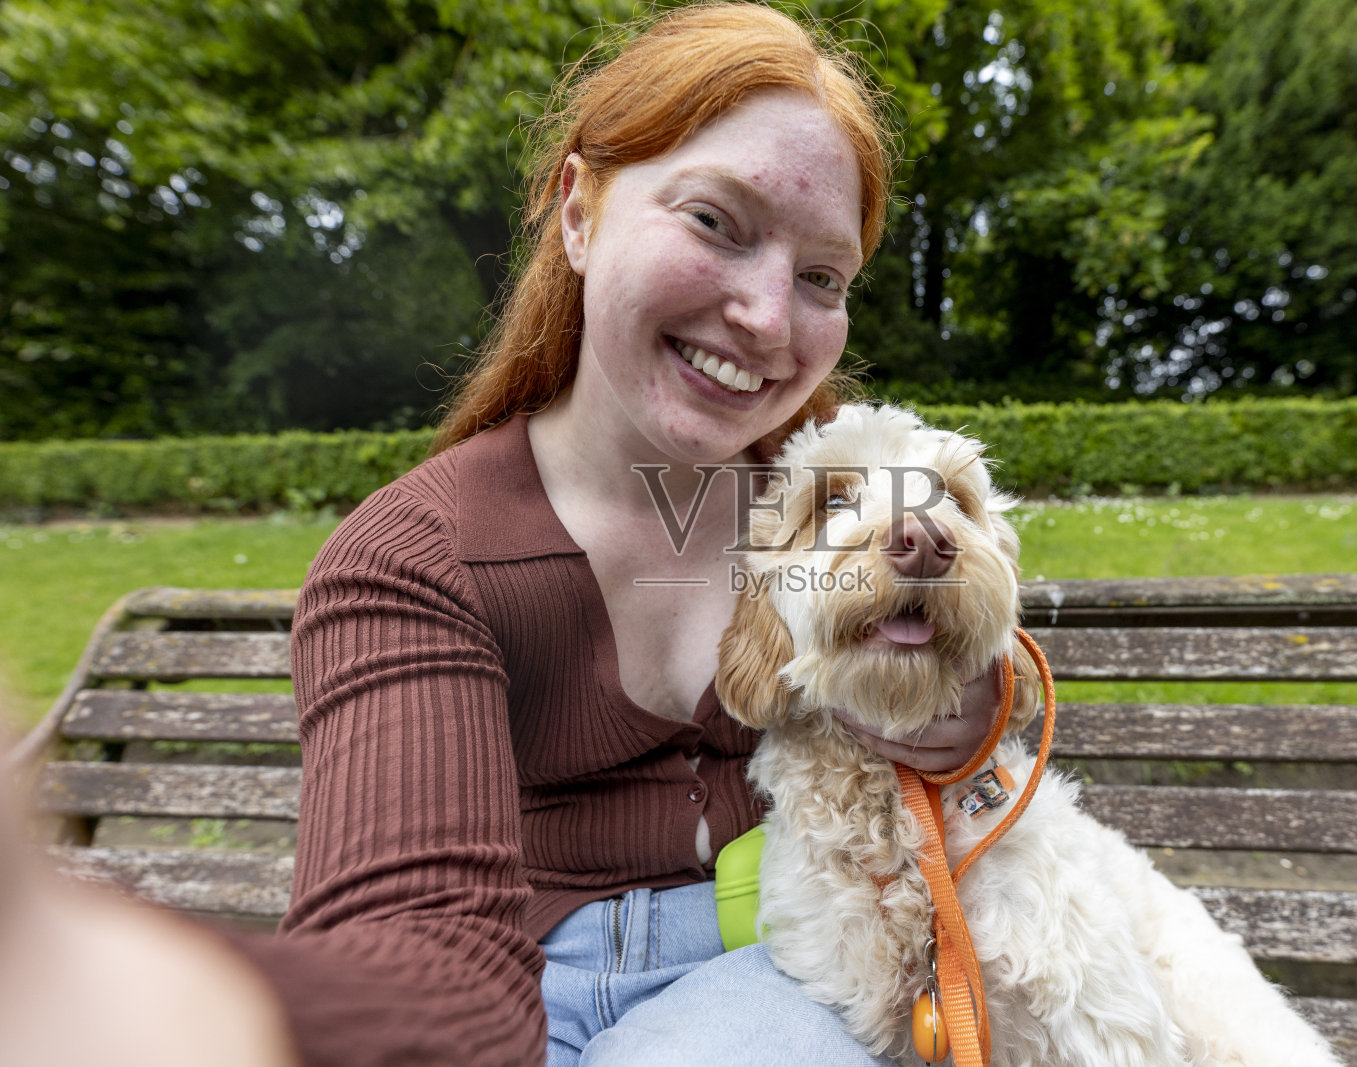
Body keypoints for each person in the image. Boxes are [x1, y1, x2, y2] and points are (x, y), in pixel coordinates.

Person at [6, 6, 1008, 1066]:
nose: (767, 317)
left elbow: (979, 615)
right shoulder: (413, 558)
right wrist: (209, 1006)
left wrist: (980, 696)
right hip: (520, 987)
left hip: (782, 963)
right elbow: (424, 949)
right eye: (715, 221)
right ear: (577, 211)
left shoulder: (827, 498)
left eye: (822, 277)